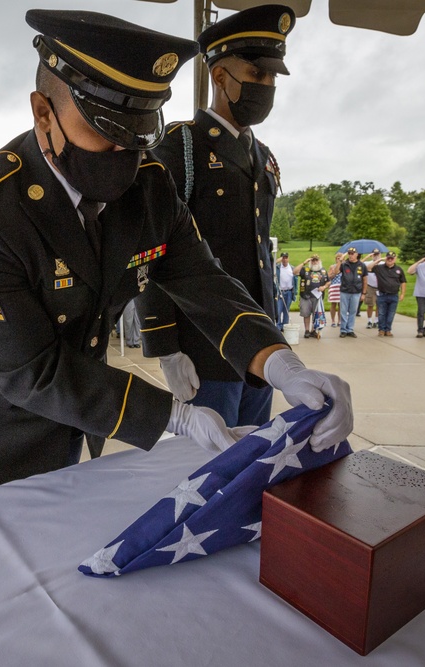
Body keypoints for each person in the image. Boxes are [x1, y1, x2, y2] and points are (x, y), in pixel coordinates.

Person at [0, 9, 352, 494]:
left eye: (142, 134)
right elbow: (31, 371)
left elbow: (203, 281)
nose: (128, 156)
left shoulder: (149, 186)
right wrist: (174, 415)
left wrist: (279, 363)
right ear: (44, 112)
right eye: (107, 132)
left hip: (80, 408)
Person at [135, 5, 287, 428]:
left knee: (255, 462)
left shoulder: (263, 156)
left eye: (273, 78)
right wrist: (164, 344)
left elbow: (259, 254)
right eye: (258, 75)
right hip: (204, 346)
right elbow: (151, 247)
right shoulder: (180, 147)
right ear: (221, 77)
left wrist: (271, 333)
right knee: (209, 474)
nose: (268, 86)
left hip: (259, 342)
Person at [332, 247, 367, 338]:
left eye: (352, 254)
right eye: (349, 253)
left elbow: (365, 279)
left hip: (356, 291)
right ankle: (343, 329)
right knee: (343, 311)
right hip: (345, 291)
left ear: (356, 254)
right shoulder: (344, 264)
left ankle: (350, 329)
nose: (351, 255)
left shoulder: (362, 265)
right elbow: (335, 272)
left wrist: (364, 293)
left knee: (353, 311)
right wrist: (340, 261)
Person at [372, 251, 407, 336]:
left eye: (392, 258)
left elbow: (403, 282)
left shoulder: (398, 269)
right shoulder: (379, 268)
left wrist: (402, 294)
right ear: (386, 258)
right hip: (382, 294)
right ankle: (381, 329)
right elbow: (368, 267)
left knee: (391, 314)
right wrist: (379, 259)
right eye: (388, 258)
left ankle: (388, 330)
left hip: (394, 295)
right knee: (381, 313)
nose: (390, 260)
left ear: (395, 259)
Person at [294, 254, 328, 339]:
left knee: (316, 314)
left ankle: (313, 330)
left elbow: (328, 282)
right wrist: (304, 263)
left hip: (318, 296)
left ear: (319, 261)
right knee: (306, 314)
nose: (314, 262)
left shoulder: (323, 271)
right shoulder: (305, 270)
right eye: (313, 260)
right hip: (306, 295)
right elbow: (294, 272)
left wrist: (324, 287)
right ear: (310, 261)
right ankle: (307, 330)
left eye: (316, 260)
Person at [275, 252, 296, 332]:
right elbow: (271, 266)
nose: (285, 259)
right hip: (280, 291)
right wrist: (277, 261)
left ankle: (285, 325)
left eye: (286, 257)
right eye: (283, 258)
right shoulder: (277, 268)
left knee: (286, 310)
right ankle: (278, 326)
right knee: (278, 309)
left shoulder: (292, 268)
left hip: (289, 291)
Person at [363, 249, 382, 328]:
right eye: (374, 254)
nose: (376, 256)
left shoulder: (383, 263)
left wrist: (380, 259)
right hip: (370, 286)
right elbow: (360, 263)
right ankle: (369, 320)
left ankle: (376, 320)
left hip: (380, 287)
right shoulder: (368, 263)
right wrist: (368, 257)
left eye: (377, 254)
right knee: (370, 304)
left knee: (379, 305)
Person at [326, 252, 342, 328]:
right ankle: (333, 321)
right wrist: (333, 273)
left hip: (342, 286)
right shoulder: (332, 267)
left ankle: (339, 320)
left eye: (340, 258)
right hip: (334, 286)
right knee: (333, 304)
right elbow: (328, 277)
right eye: (337, 258)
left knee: (341, 305)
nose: (338, 259)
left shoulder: (344, 266)